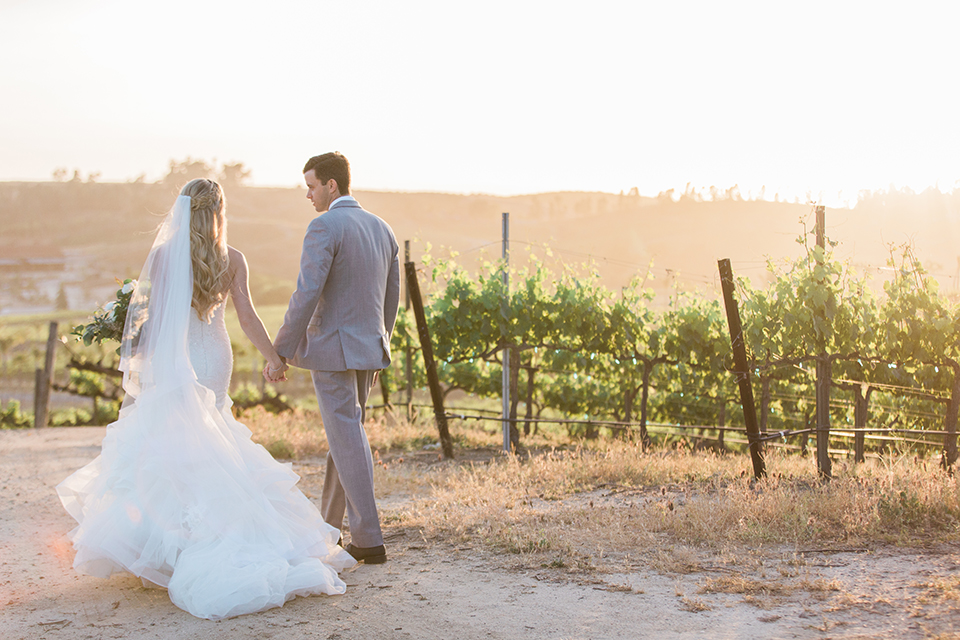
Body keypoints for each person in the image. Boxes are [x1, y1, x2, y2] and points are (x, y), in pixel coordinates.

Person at [56, 178, 355, 620]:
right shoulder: (233, 259)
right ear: (220, 212)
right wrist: (274, 358)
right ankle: (213, 533)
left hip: (177, 358)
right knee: (215, 437)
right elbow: (248, 317)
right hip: (215, 356)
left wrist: (136, 347)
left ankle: (172, 546)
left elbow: (153, 318)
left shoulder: (162, 257)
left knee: (173, 443)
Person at [270, 152, 400, 565]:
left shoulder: (324, 226)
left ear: (331, 185)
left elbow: (307, 292)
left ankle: (369, 537)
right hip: (367, 348)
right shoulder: (383, 228)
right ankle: (329, 530)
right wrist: (381, 346)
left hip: (332, 350)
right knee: (344, 439)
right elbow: (393, 297)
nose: (307, 195)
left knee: (346, 437)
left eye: (311, 186)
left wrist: (281, 349)